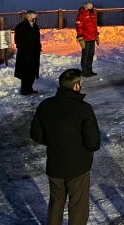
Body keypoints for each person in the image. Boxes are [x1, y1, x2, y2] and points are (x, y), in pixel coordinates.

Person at [31, 68, 101, 225]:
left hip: (55, 163)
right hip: (78, 166)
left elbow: (36, 134)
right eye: (81, 82)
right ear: (76, 86)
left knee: (56, 203)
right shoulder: (83, 109)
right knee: (77, 206)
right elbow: (93, 142)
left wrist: (54, 142)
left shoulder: (45, 105)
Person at [14, 10, 42, 95]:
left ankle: (30, 88)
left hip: (34, 52)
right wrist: (25, 50)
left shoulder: (35, 26)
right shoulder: (20, 27)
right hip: (25, 54)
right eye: (34, 17)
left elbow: (37, 38)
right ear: (29, 17)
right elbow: (18, 40)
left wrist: (39, 46)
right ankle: (25, 89)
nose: (35, 19)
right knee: (26, 72)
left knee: (33, 71)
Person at [75, 2, 99, 77]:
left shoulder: (92, 15)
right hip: (85, 38)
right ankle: (84, 71)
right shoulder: (81, 15)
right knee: (85, 55)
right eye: (90, 6)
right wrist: (80, 37)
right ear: (86, 6)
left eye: (92, 5)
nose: (92, 7)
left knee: (91, 54)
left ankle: (89, 69)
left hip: (92, 37)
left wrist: (97, 35)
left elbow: (94, 26)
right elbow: (79, 27)